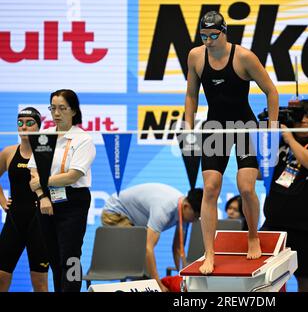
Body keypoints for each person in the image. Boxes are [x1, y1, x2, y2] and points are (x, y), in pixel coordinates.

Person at [184, 10, 279, 274]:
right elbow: (191, 94)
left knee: (246, 187)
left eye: (213, 35)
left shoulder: (244, 57)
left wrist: (270, 129)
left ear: (225, 32)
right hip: (215, 128)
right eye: (204, 35)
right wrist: (188, 126)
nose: (208, 41)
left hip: (244, 127)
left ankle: (252, 236)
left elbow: (271, 91)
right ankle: (209, 253)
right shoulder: (195, 56)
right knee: (210, 187)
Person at [261, 99, 308, 292]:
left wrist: (290, 140)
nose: (304, 121)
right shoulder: (278, 144)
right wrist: (266, 139)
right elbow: (260, 173)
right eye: (300, 117)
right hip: (274, 225)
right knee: (262, 278)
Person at [28, 89, 96, 292]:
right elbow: (33, 172)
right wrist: (42, 195)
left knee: (71, 256)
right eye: (53, 108)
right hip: (47, 201)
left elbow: (73, 176)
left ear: (73, 110)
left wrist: (42, 181)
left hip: (74, 201)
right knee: (54, 256)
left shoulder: (83, 139)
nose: (56, 113)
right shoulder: (45, 137)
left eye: (62, 108)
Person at [101, 183, 203, 292]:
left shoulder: (185, 213)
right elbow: (148, 248)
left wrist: (184, 279)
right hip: (115, 214)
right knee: (141, 266)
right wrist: (158, 284)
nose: (196, 220)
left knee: (144, 271)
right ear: (187, 207)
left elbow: (178, 248)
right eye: (196, 216)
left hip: (133, 221)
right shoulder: (164, 209)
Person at [0, 107, 49, 292]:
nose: (24, 127)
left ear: (38, 126)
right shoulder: (9, 152)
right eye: (20, 123)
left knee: (40, 283)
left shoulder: (47, 153)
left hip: (39, 223)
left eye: (30, 123)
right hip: (14, 221)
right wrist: (3, 200)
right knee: (1, 277)